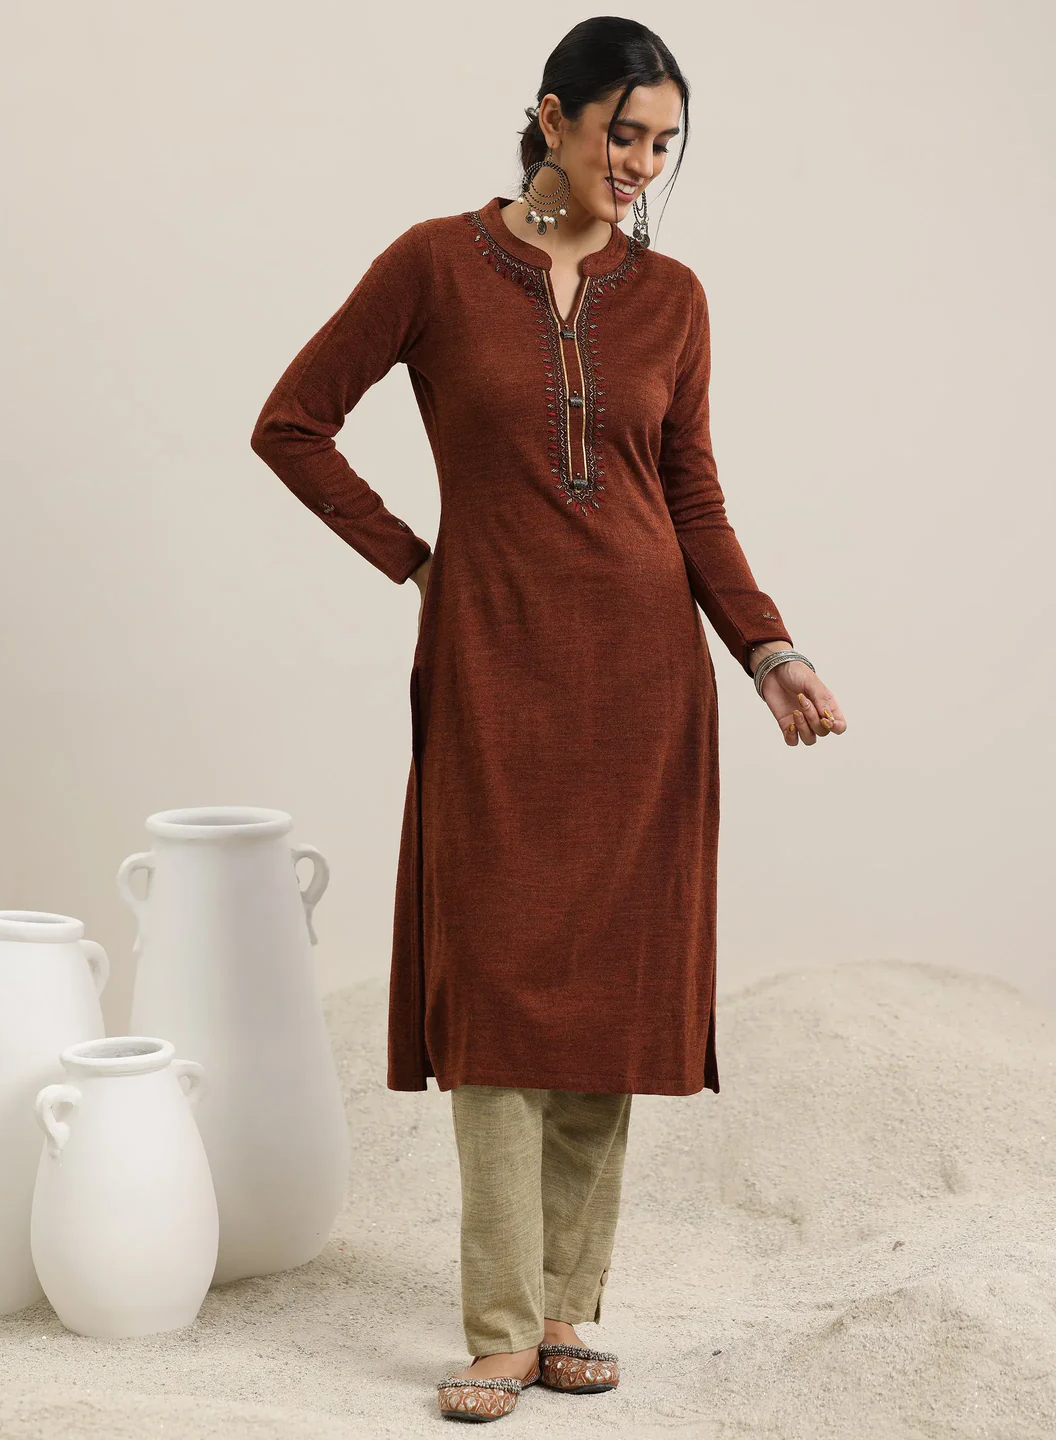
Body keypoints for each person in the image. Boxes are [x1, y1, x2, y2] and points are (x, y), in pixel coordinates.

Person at [250, 15, 847, 1424]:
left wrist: (767, 649)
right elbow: (292, 422)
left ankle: (569, 1309)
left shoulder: (674, 298)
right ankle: (500, 1325)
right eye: (621, 135)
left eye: (663, 145)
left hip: (645, 679)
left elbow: (691, 496)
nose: (639, 165)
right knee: (503, 981)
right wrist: (417, 560)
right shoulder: (434, 265)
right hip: (495, 663)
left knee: (607, 992)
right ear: (551, 116)